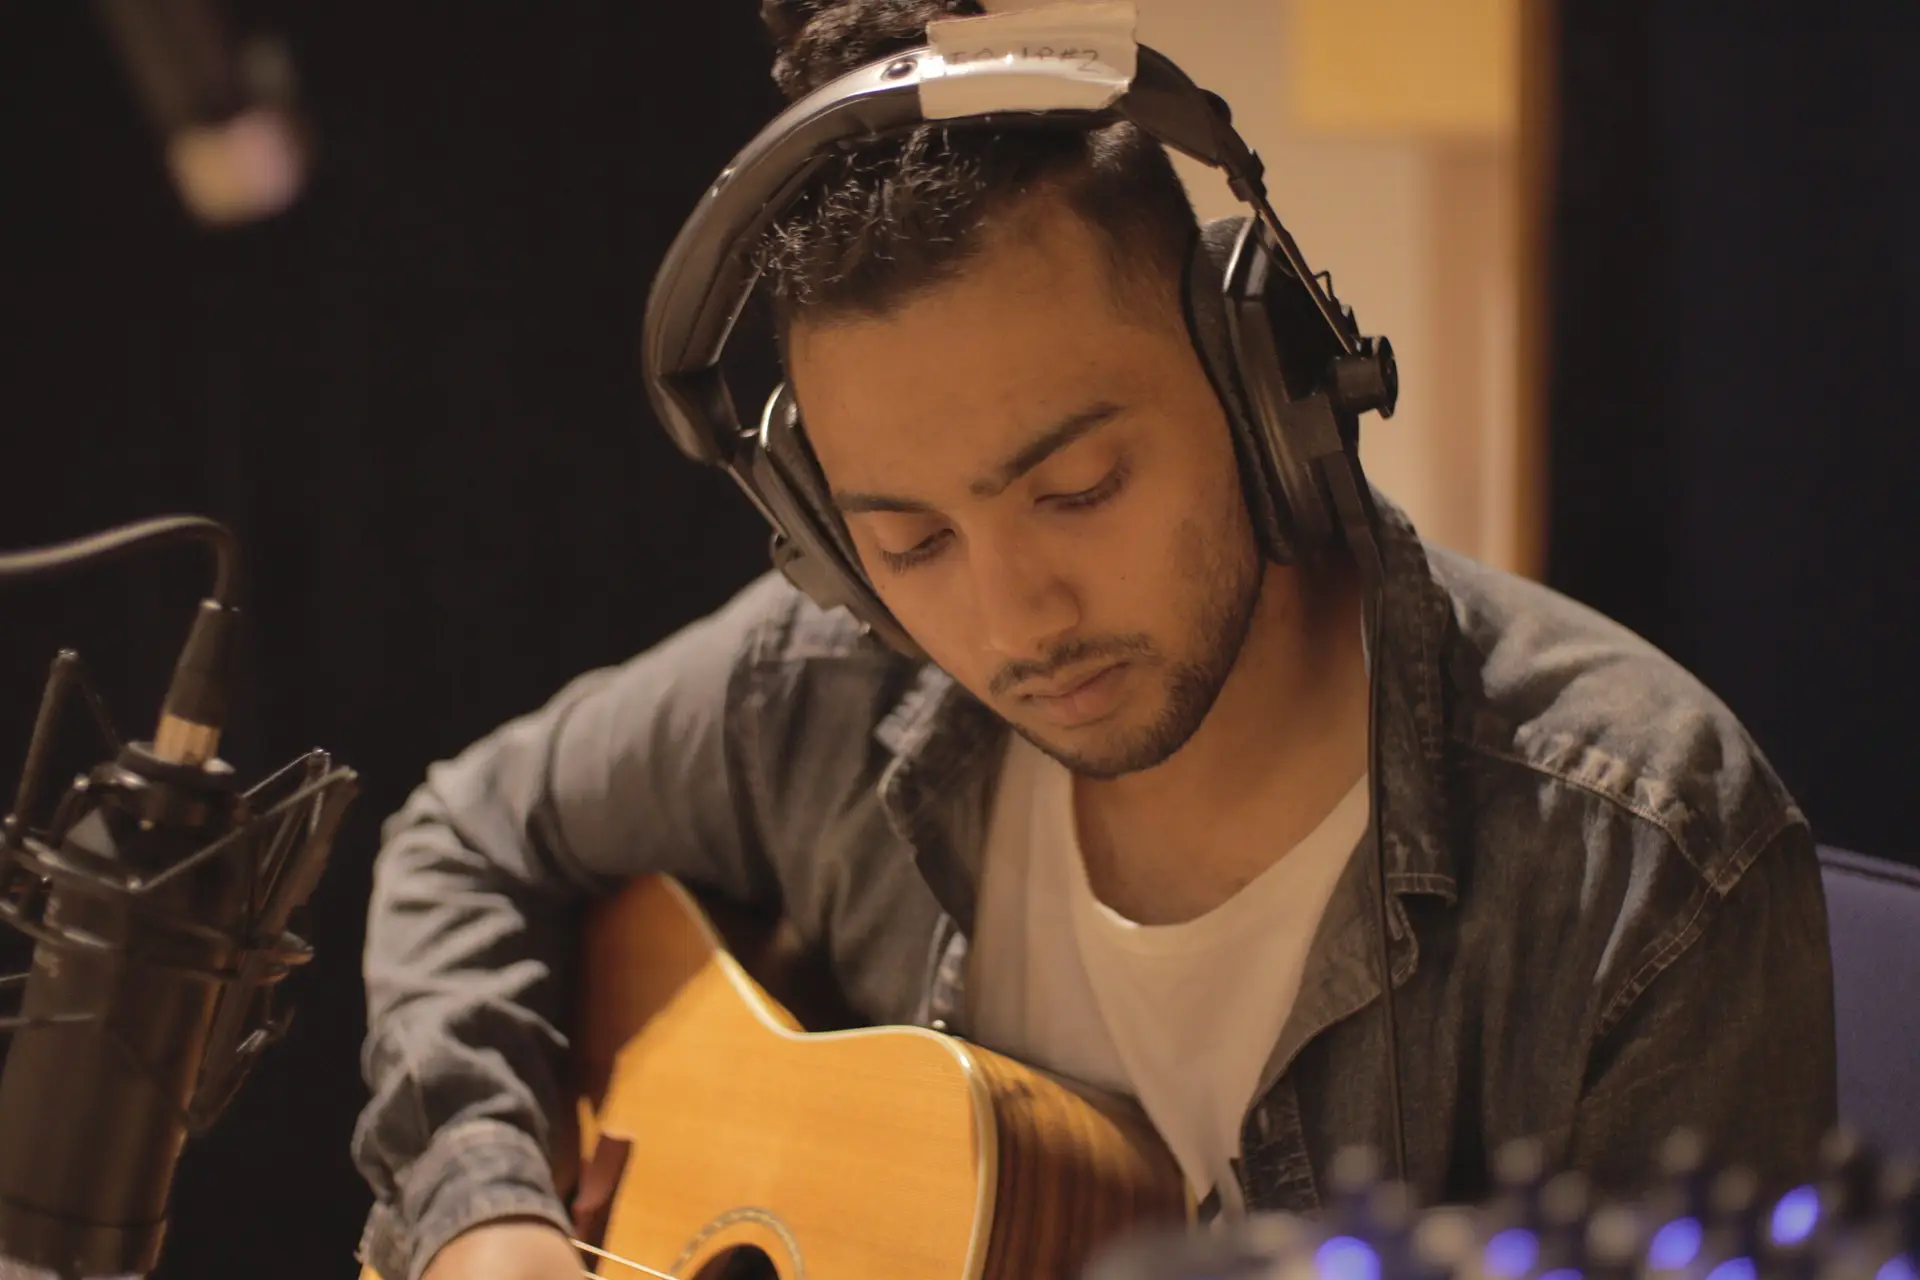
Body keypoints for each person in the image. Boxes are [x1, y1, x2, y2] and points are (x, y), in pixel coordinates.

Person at [350, 2, 1837, 1277]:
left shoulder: (1639, 858)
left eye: (1076, 489)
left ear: (1267, 394)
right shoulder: (826, 688)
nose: (1013, 621)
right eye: (910, 543)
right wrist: (484, 1210)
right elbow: (466, 835)